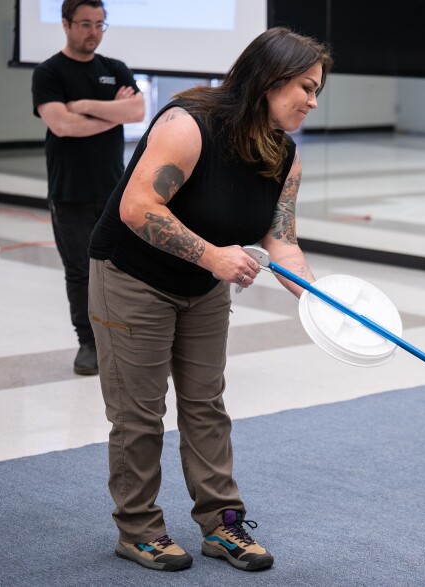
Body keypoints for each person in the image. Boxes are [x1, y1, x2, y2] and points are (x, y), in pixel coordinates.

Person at [87, 27, 332, 573]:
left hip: (201, 286)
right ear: (270, 79)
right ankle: (140, 530)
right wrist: (215, 258)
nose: (313, 101)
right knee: (139, 413)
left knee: (206, 405)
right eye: (307, 87)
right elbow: (137, 207)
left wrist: (321, 297)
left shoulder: (284, 153)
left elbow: (280, 239)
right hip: (133, 276)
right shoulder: (187, 124)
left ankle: (222, 526)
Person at [32, 0, 144, 376]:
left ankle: (124, 338)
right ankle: (88, 343)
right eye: (84, 24)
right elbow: (62, 125)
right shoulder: (49, 72)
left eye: (100, 24)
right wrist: (110, 114)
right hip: (69, 192)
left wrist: (81, 106)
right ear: (65, 24)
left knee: (124, 269)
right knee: (80, 271)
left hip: (116, 191)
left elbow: (137, 112)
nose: (93, 32)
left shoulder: (115, 69)